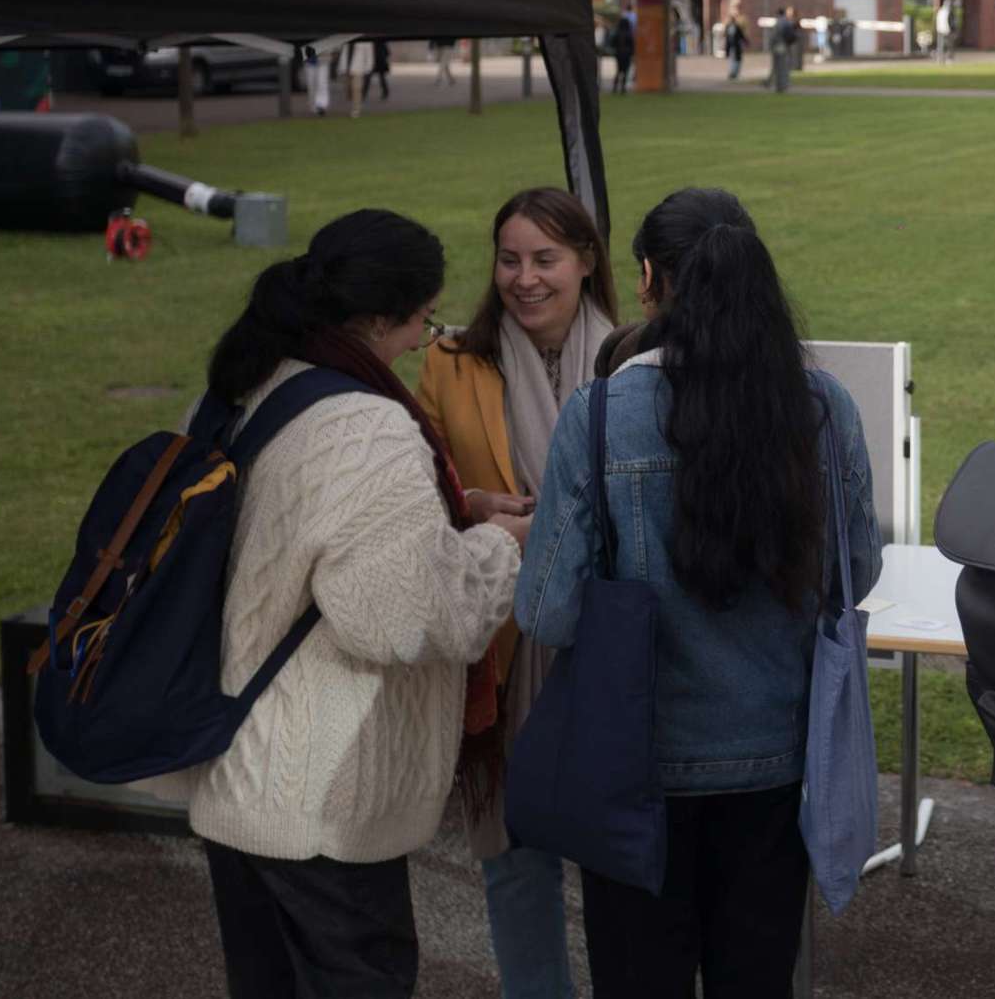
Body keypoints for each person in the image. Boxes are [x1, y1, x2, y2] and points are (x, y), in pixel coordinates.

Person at [516, 187, 880, 997]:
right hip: (776, 763)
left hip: (636, 768)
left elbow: (545, 611)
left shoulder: (602, 412)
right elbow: (860, 567)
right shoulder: (824, 407)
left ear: (648, 279)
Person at [164, 209, 529, 998]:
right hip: (319, 790)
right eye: (424, 321)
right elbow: (402, 615)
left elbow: (304, 533)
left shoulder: (249, 384)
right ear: (382, 317)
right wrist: (501, 550)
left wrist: (455, 508)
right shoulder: (367, 426)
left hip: (240, 769)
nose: (424, 342)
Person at [418, 188, 621, 999]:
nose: (525, 279)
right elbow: (426, 493)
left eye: (546, 259)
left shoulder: (632, 360)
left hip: (605, 644)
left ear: (585, 264)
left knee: (619, 862)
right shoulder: (451, 362)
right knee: (513, 863)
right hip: (501, 649)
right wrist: (478, 510)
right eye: (510, 259)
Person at [770, 6, 800, 93]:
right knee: (782, 67)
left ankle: (780, 86)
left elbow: (775, 36)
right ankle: (782, 85)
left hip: (779, 46)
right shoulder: (786, 22)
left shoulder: (779, 22)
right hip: (783, 45)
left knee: (780, 67)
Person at [609, 11, 636, 96]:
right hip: (627, 54)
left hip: (618, 54)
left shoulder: (617, 33)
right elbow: (632, 46)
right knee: (625, 71)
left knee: (618, 71)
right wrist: (632, 53)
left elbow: (612, 43)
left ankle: (615, 88)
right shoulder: (629, 34)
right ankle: (623, 88)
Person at [724, 8, 749, 81]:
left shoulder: (734, 27)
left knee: (736, 60)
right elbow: (740, 36)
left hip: (735, 46)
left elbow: (741, 36)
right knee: (734, 60)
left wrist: (746, 42)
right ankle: (733, 73)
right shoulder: (730, 27)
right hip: (733, 46)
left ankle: (734, 73)